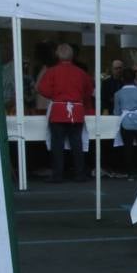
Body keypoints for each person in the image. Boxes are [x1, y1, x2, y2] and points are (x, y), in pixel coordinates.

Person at [36, 42, 93, 183]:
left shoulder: (52, 71)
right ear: (72, 55)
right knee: (77, 144)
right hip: (77, 110)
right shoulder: (81, 73)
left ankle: (57, 175)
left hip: (59, 110)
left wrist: (55, 96)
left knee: (57, 145)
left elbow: (42, 88)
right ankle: (80, 174)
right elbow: (89, 89)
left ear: (57, 55)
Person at [113, 66, 137, 177]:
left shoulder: (118, 93)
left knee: (128, 148)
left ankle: (130, 173)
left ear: (122, 79)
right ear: (134, 78)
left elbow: (116, 112)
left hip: (125, 122)